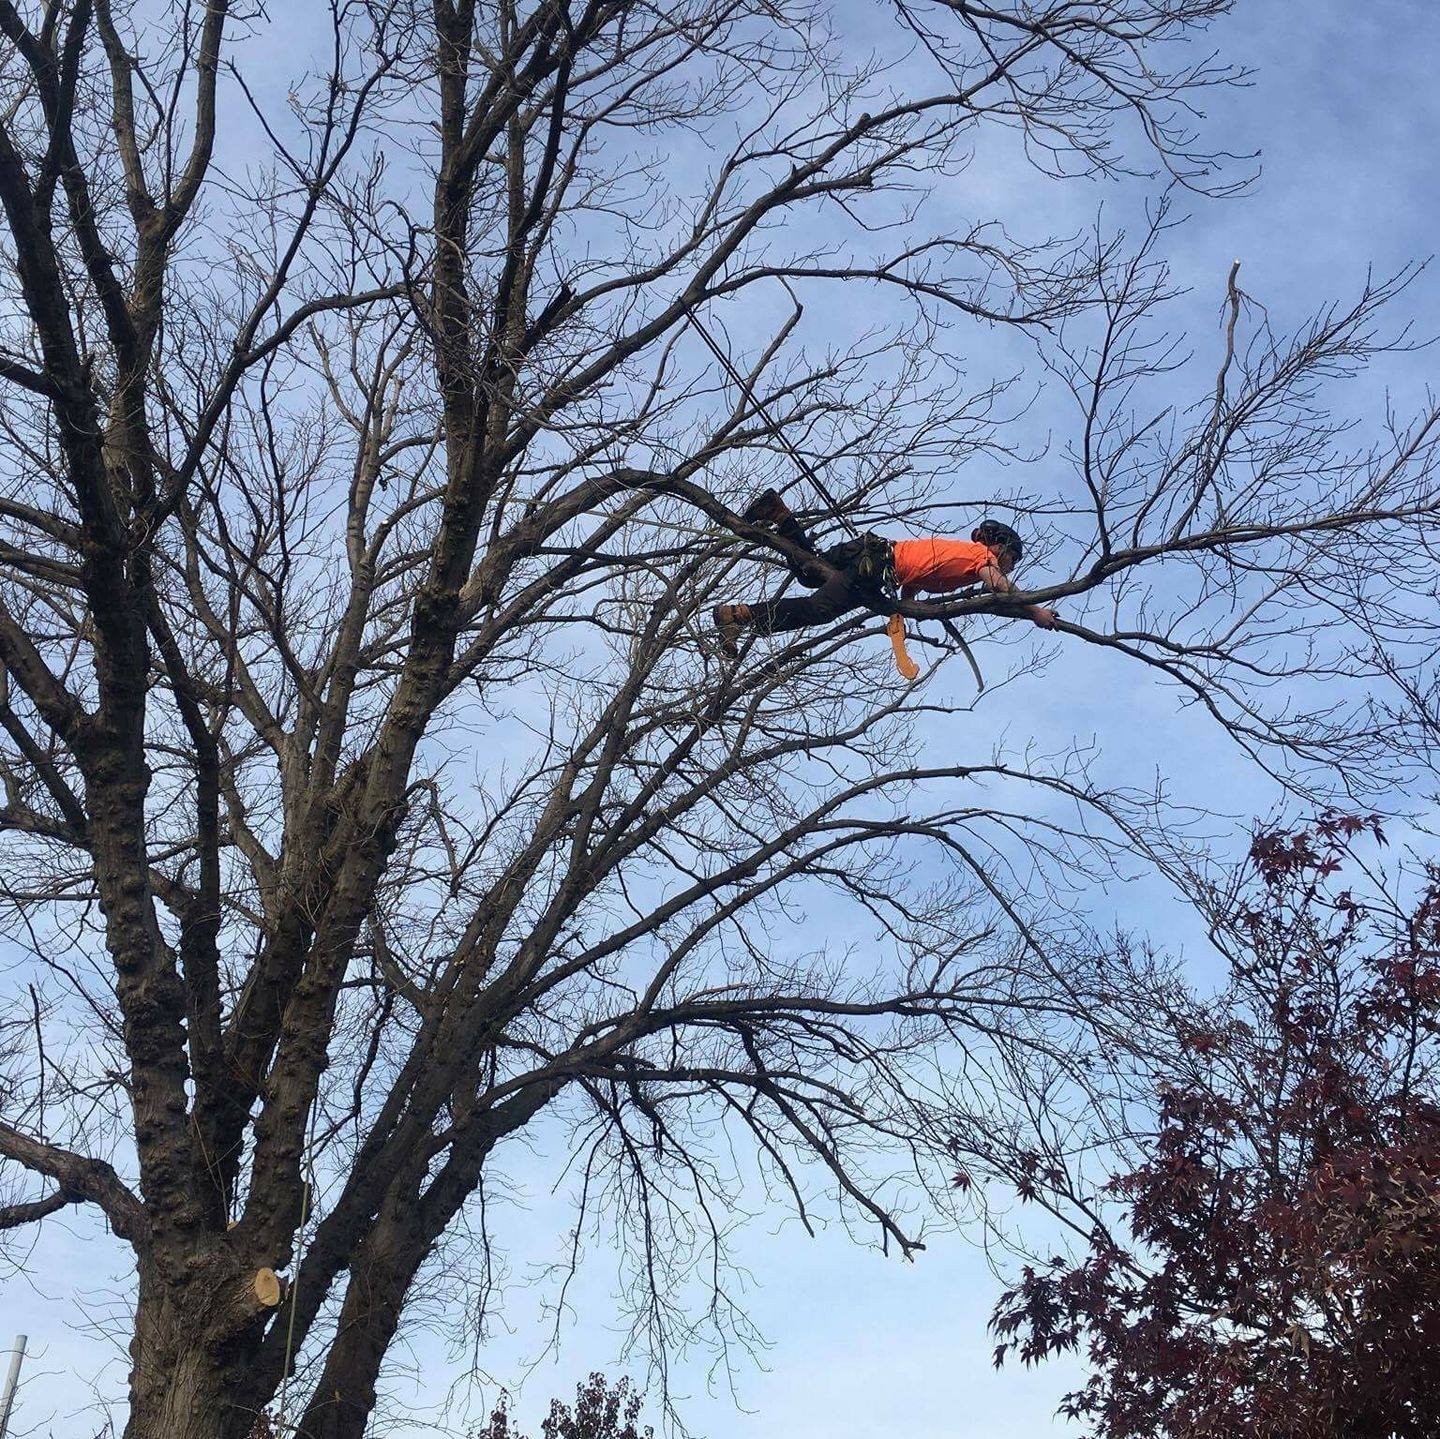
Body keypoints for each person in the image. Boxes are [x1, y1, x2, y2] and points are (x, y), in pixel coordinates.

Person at [711, 489, 1058, 654]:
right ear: (1000, 548)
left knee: (807, 572)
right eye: (1011, 559)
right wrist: (1035, 611)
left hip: (872, 556)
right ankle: (738, 616)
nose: (1010, 566)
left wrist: (903, 613)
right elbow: (1000, 586)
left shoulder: (962, 557)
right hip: (874, 565)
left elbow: (915, 580)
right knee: (819, 611)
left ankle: (780, 515)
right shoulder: (983, 557)